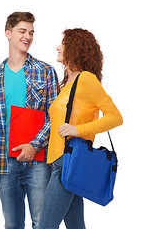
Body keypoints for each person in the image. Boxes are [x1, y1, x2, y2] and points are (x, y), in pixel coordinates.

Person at [38, 28, 123, 229]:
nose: (57, 48)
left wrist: (77, 130)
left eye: (63, 44)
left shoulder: (86, 80)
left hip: (67, 162)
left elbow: (116, 117)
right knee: (76, 225)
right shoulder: (69, 83)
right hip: (60, 162)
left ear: (74, 49)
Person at [0, 12, 59, 229]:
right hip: (5, 162)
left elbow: (54, 116)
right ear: (8, 34)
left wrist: (34, 145)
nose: (28, 36)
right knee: (12, 224)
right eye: (22, 31)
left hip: (37, 160)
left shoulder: (45, 71)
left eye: (31, 32)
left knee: (42, 223)